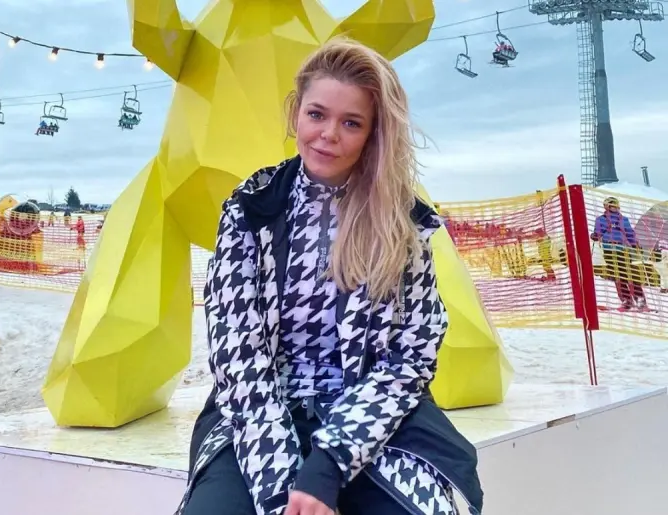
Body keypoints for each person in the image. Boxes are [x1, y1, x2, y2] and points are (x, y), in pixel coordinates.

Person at [177, 38, 482, 515]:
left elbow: (411, 358)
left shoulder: (402, 223)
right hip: (257, 416)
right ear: (296, 113)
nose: (328, 135)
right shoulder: (250, 210)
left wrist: (328, 466)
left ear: (373, 134)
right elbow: (238, 358)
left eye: (351, 123)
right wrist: (281, 491)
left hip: (374, 418)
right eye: (317, 114)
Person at [591, 196, 646, 311]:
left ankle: (640, 299)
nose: (614, 207)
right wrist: (595, 235)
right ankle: (626, 300)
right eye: (612, 205)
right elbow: (598, 232)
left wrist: (635, 244)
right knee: (617, 275)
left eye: (616, 205)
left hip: (623, 249)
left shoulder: (623, 219)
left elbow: (630, 233)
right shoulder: (600, 219)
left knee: (629, 273)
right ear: (607, 206)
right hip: (609, 249)